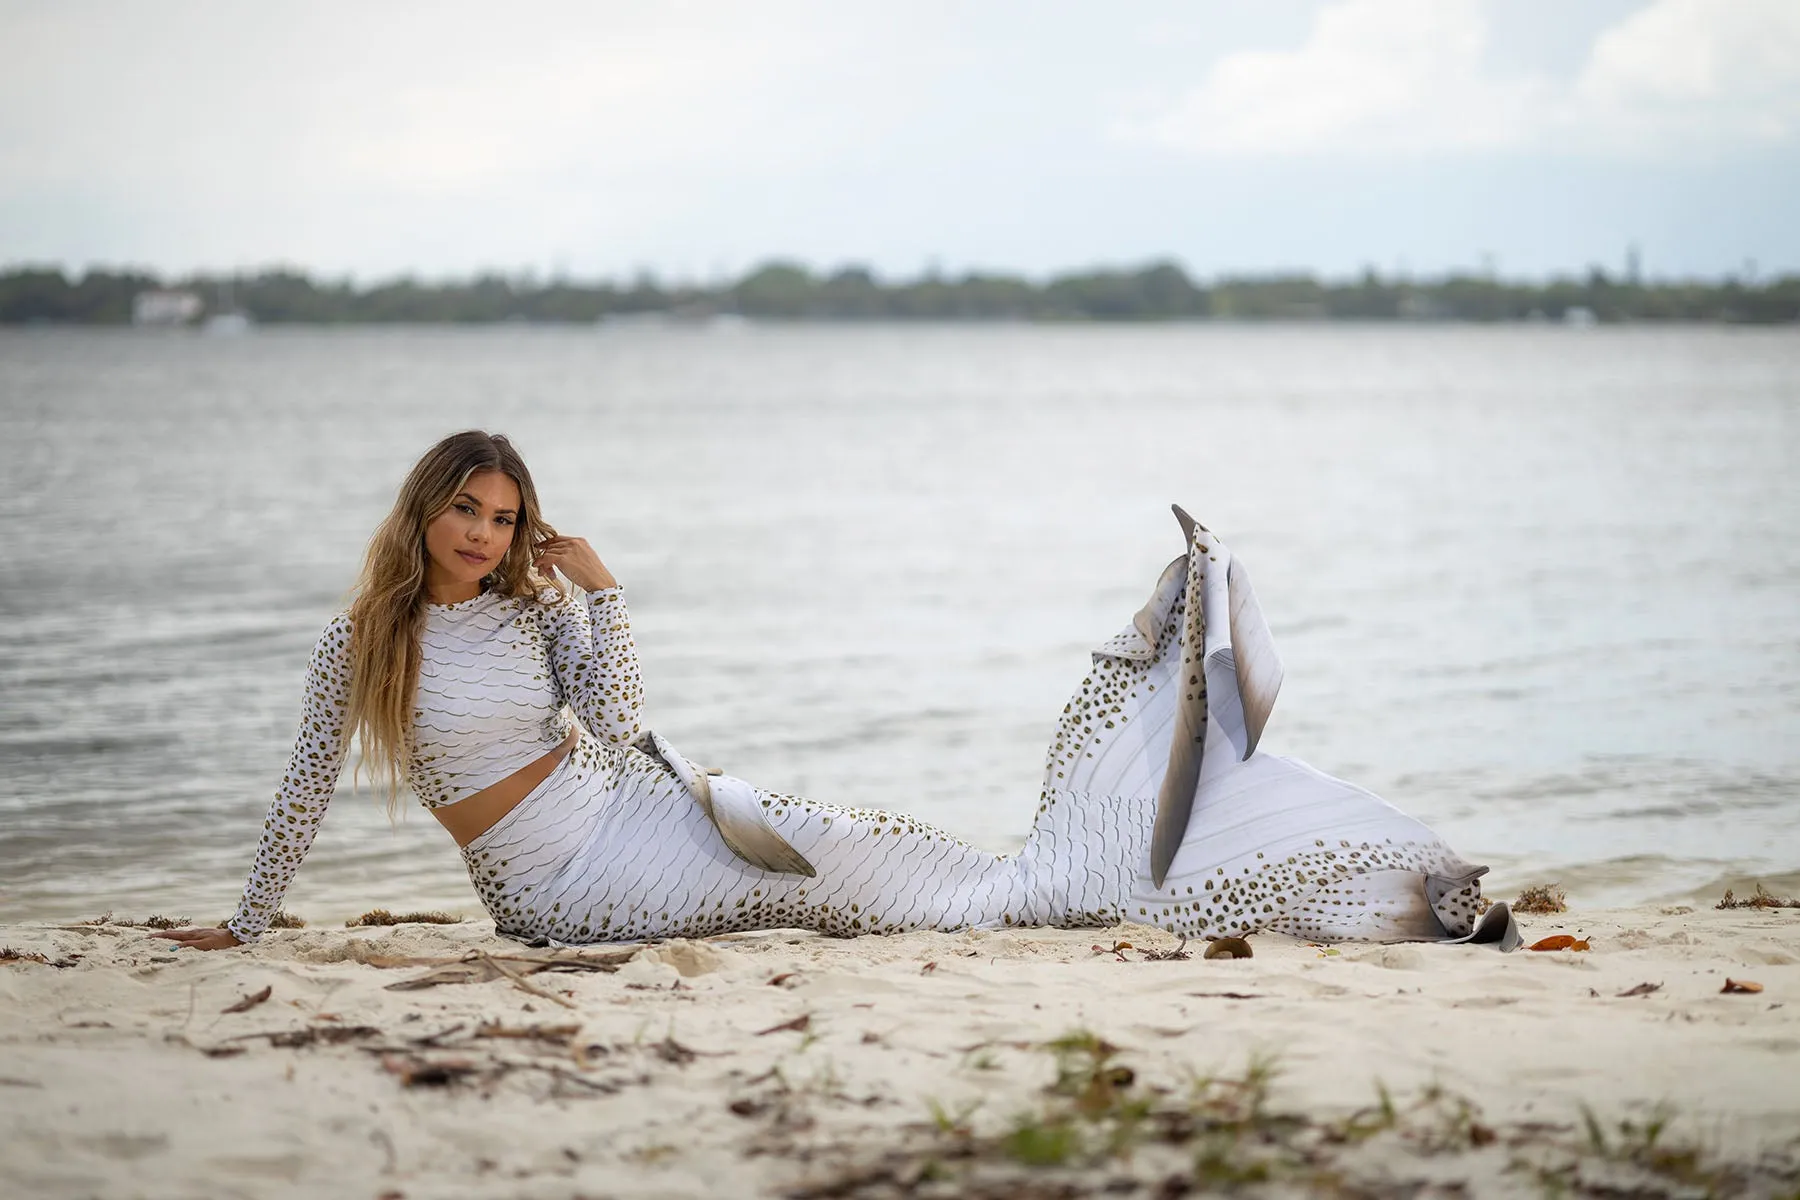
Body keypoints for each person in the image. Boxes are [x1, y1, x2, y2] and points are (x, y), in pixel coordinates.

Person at [156, 430, 1519, 953]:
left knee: (857, 846)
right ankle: (1107, 888)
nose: (484, 534)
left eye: (505, 518)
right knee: (828, 887)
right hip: (558, 889)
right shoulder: (363, 644)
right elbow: (300, 792)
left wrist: (606, 597)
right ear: (426, 510)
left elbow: (622, 727)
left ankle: (1129, 879)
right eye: (466, 508)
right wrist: (246, 925)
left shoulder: (540, 610)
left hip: (642, 806)